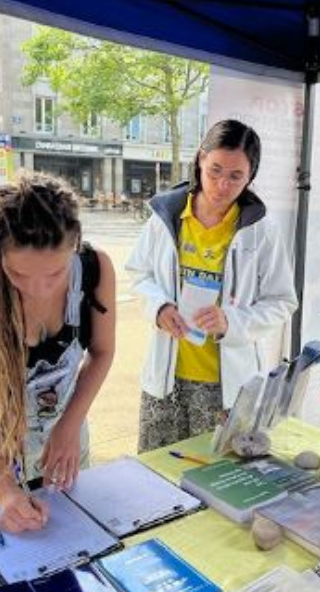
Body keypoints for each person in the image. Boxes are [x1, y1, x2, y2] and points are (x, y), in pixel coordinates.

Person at [0, 171, 116, 532]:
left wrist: (68, 426)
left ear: (75, 247)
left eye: (55, 274)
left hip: (65, 448)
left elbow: (101, 352)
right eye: (18, 275)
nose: (38, 291)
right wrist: (5, 492)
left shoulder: (94, 269)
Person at [126, 119, 298, 452]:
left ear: (250, 177)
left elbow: (281, 301)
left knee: (214, 481)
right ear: (200, 160)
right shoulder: (166, 218)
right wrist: (158, 307)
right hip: (165, 378)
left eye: (236, 176)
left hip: (225, 389)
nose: (222, 185)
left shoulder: (261, 230)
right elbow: (138, 272)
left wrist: (231, 321)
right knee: (158, 476)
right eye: (215, 170)